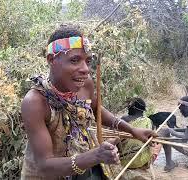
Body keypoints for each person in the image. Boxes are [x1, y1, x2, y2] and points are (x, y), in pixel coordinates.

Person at [20, 24, 157, 179]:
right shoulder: (35, 102)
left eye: (88, 61)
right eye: (74, 60)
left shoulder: (85, 84)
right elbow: (45, 166)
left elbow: (96, 108)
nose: (85, 69)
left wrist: (132, 130)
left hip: (83, 163)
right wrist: (95, 156)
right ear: (52, 60)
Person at [118, 97, 162, 169]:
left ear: (133, 108)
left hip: (124, 161)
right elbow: (152, 141)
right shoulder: (149, 121)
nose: (128, 109)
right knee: (158, 143)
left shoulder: (123, 120)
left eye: (129, 107)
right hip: (143, 161)